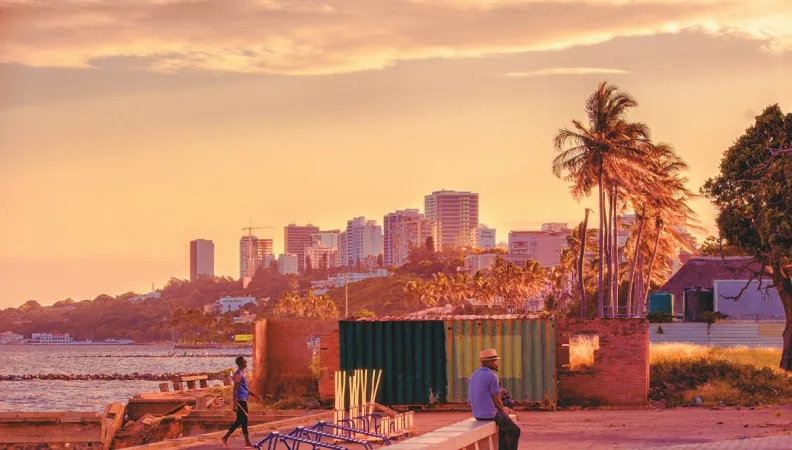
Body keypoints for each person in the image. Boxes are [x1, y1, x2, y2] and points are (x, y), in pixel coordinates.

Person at [468, 349, 521, 450]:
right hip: (490, 415)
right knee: (515, 431)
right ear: (489, 362)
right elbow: (497, 401)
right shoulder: (492, 377)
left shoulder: (472, 376)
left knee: (503, 430)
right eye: (495, 361)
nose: (497, 363)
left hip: (477, 415)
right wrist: (504, 411)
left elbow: (470, 401)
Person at [219, 357, 262, 448]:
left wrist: (255, 395)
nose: (246, 362)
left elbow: (245, 388)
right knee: (243, 420)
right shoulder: (238, 374)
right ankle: (227, 439)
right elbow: (235, 389)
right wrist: (234, 404)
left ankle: (228, 439)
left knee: (241, 421)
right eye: (244, 361)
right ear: (240, 363)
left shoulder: (243, 373)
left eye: (246, 361)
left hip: (243, 400)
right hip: (240, 401)